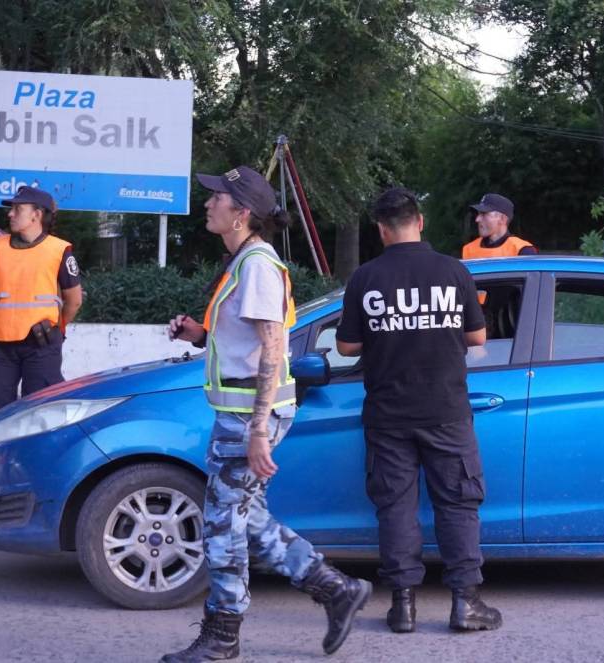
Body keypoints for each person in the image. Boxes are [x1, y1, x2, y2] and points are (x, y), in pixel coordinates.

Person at [161, 166, 371, 662]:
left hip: (246, 420)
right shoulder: (245, 262)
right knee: (246, 516)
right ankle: (334, 588)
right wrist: (200, 333)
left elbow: (274, 347)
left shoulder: (256, 264)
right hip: (242, 416)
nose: (209, 203)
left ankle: (222, 636)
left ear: (242, 213)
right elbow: (247, 344)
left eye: (218, 199)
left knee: (221, 524)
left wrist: (257, 429)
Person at [336, 187, 502, 635]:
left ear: (381, 229)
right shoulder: (454, 271)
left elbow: (347, 345)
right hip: (447, 410)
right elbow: (478, 338)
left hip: (388, 415)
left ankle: (402, 607)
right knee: (458, 505)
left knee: (395, 508)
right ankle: (466, 603)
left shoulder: (365, 278)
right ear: (420, 221)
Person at [0, 186, 82, 511]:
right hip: (0, 347)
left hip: (41, 349)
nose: (10, 213)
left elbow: (74, 300)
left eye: (17, 208)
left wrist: (56, 331)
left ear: (36, 215)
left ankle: (42, 487)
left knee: (43, 417)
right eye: (11, 209)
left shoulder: (59, 250)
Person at [461, 193, 536, 259]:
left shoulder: (522, 250)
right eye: (478, 214)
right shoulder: (469, 250)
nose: (477, 219)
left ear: (502, 219)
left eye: (483, 214)